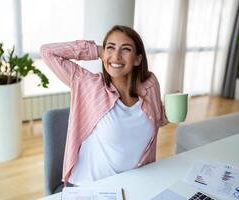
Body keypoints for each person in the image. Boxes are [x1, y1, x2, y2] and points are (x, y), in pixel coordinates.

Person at [40, 25, 168, 186]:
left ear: (138, 59)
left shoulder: (150, 84)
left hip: (137, 184)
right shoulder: (89, 84)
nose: (116, 56)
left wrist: (171, 109)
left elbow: (159, 119)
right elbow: (47, 52)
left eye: (126, 49)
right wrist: (99, 51)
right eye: (111, 47)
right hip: (93, 188)